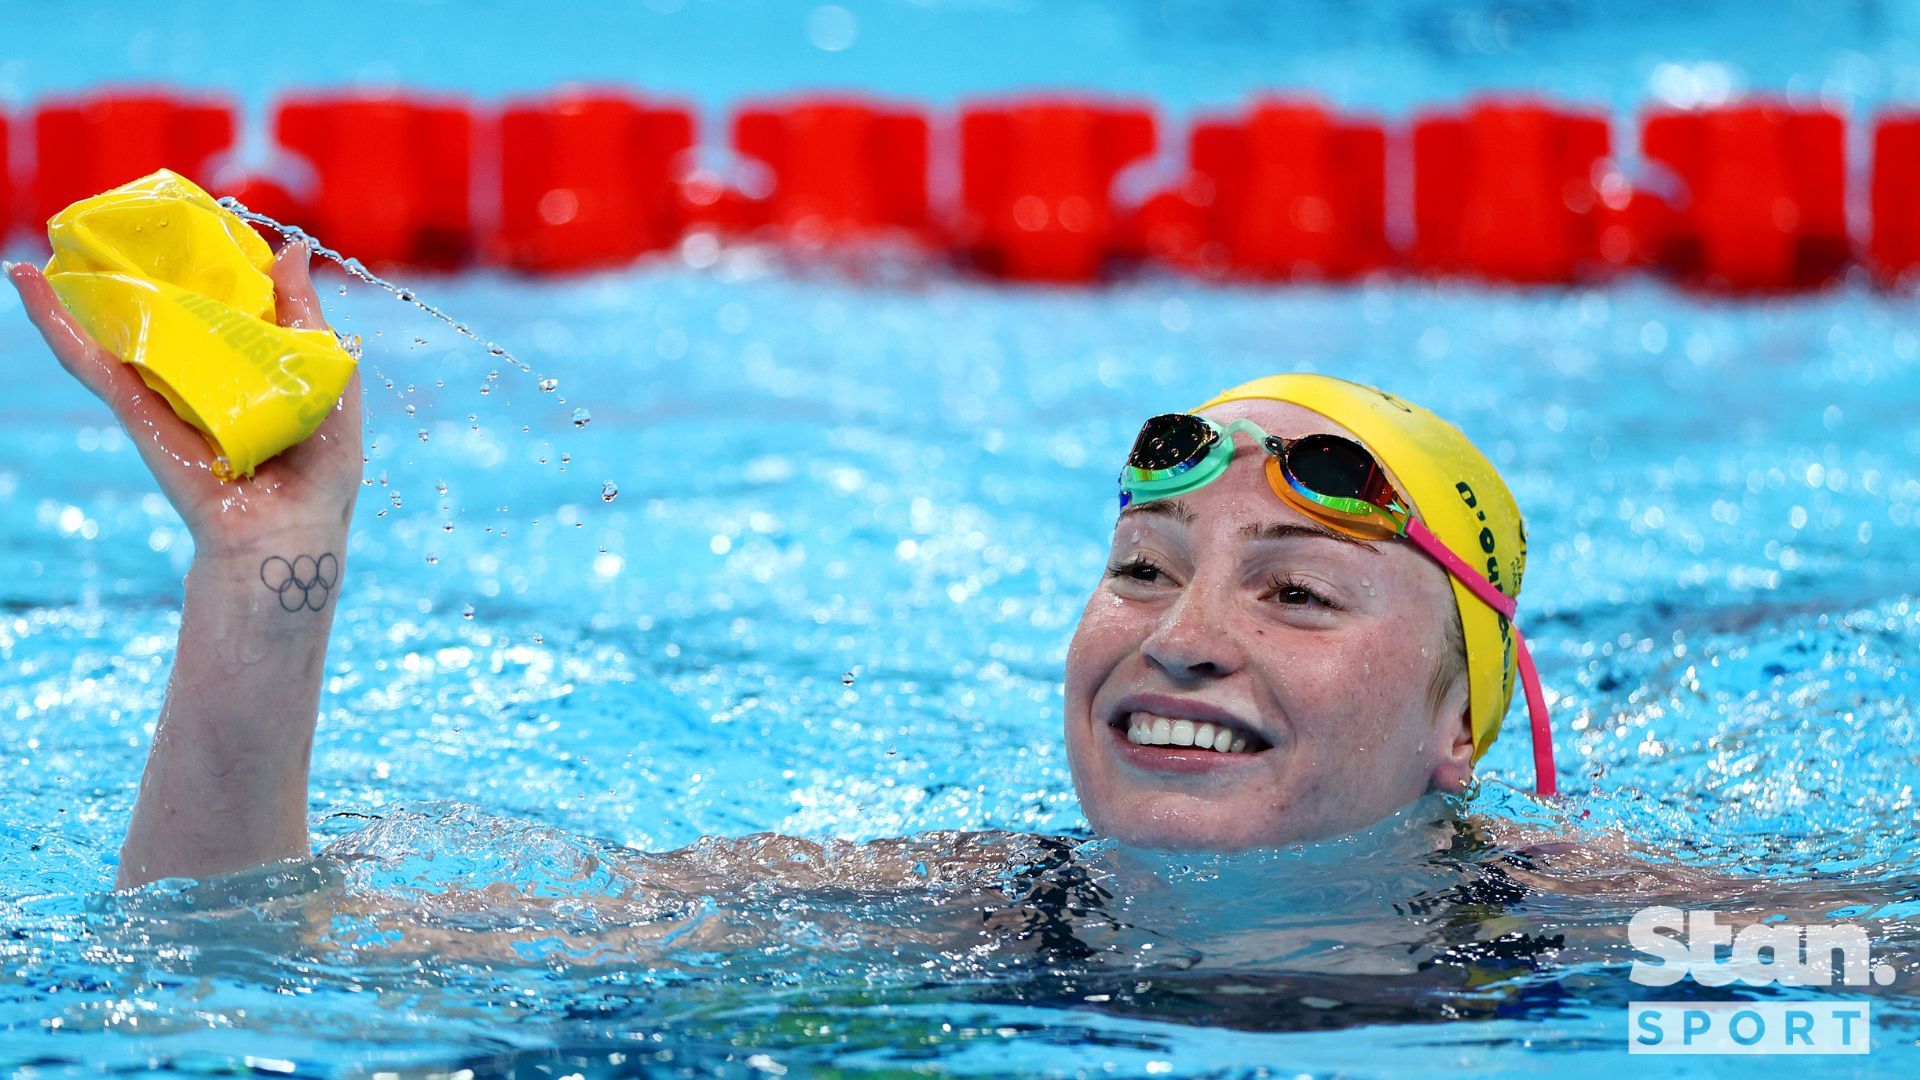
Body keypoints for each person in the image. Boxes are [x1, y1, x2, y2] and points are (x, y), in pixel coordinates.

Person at [5, 247, 1554, 891]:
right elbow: (232, 965)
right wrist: (271, 560)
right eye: (1145, 569)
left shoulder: (1608, 947)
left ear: (1456, 727)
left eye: (1295, 590)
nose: (1184, 639)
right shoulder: (950, 914)